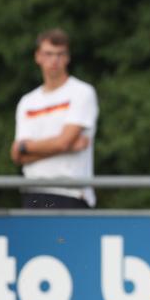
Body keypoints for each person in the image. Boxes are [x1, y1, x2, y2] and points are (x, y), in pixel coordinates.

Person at [11, 28, 98, 208]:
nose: (54, 60)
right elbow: (18, 156)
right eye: (48, 54)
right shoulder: (27, 102)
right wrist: (64, 145)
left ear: (68, 57)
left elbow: (63, 142)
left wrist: (28, 147)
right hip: (33, 192)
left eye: (60, 54)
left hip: (70, 193)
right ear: (38, 57)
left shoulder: (82, 92)